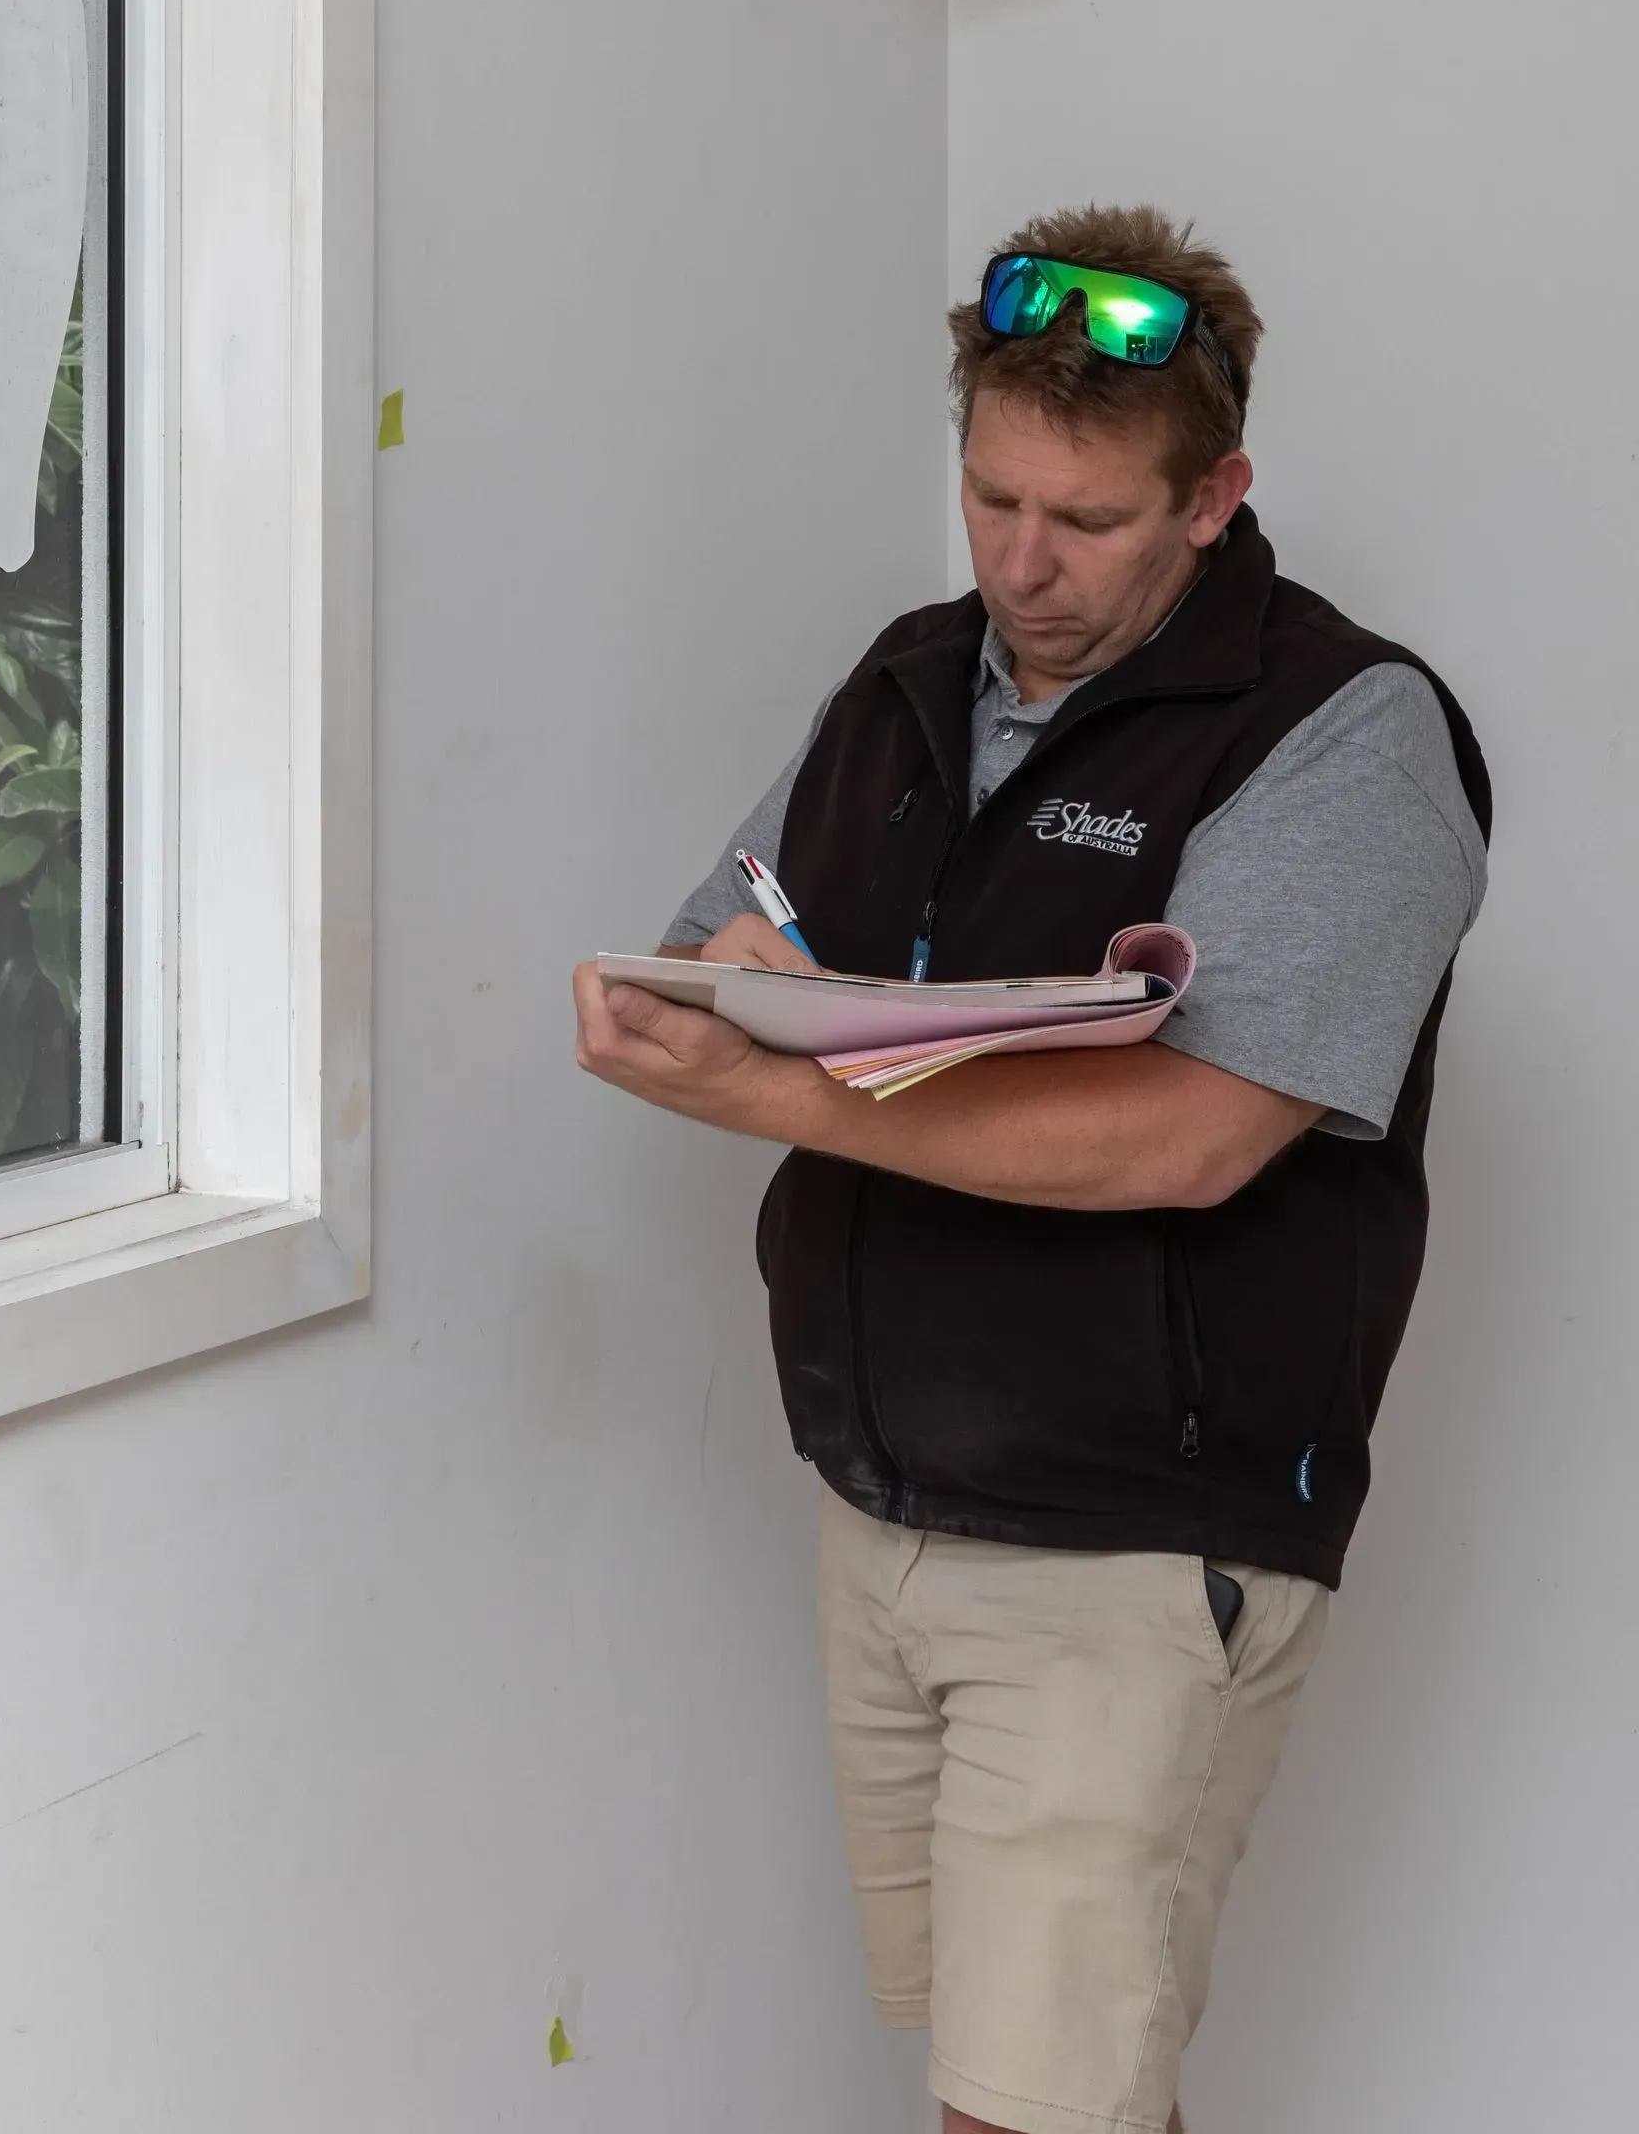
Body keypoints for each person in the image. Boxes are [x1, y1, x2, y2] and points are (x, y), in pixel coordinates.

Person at [572, 204, 1490, 2134]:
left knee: (1033, 2112)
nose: (1021, 564)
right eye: (991, 498)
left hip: (1132, 1550)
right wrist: (688, 1004)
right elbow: (728, 940)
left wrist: (788, 1093)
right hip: (882, 1505)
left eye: (1087, 520)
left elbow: (1196, 1135)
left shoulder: (1345, 732)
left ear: (1214, 498)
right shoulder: (911, 681)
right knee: (1036, 2092)